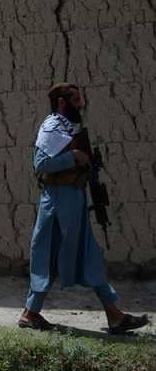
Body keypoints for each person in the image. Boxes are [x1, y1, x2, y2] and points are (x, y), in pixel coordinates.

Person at [18, 83, 149, 333]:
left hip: (73, 199)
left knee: (88, 253)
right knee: (48, 253)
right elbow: (41, 163)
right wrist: (74, 157)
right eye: (75, 99)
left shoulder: (69, 129)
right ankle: (31, 312)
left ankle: (114, 315)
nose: (81, 104)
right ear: (61, 102)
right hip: (57, 202)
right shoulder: (52, 126)